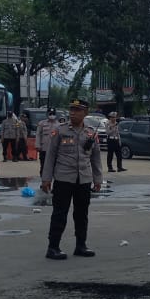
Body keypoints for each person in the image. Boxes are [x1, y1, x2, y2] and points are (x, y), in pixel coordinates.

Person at [40, 99, 103, 260]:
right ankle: (53, 247)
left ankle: (81, 246)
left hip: (83, 179)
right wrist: (46, 178)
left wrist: (98, 179)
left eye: (77, 110)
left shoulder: (90, 133)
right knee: (60, 213)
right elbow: (50, 156)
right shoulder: (60, 131)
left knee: (82, 214)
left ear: (85, 113)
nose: (73, 113)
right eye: (71, 110)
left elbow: (96, 158)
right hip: (63, 178)